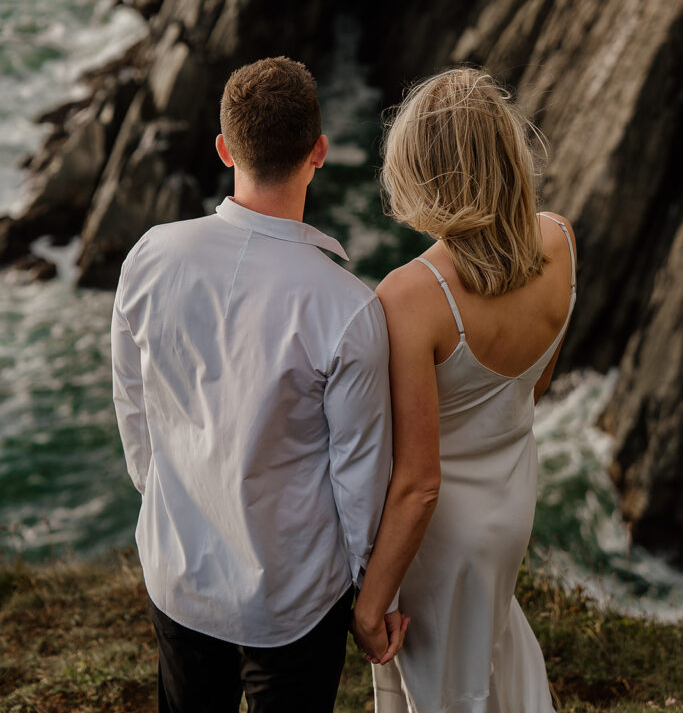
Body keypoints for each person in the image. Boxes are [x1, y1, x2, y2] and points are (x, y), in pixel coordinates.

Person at [111, 56, 411, 713]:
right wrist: (371, 600)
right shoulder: (347, 307)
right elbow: (358, 480)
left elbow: (132, 406)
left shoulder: (150, 256)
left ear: (223, 148)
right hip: (292, 596)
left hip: (177, 568)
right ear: (319, 153)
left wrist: (167, 504)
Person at [352, 67, 577, 712]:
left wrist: (372, 605)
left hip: (442, 538)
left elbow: (419, 482)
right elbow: (531, 390)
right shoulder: (558, 241)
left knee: (443, 689)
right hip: (511, 502)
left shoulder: (411, 296)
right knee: (487, 654)